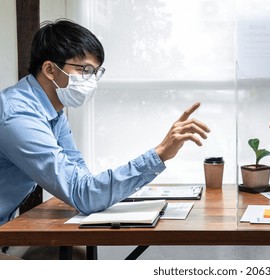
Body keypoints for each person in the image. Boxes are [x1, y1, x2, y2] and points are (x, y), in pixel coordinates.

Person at [0, 19, 210, 228]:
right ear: (49, 69)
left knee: (78, 253)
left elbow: (81, 179)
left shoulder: (53, 112)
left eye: (95, 73)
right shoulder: (18, 116)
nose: (91, 81)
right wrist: (160, 154)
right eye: (85, 70)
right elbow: (83, 194)